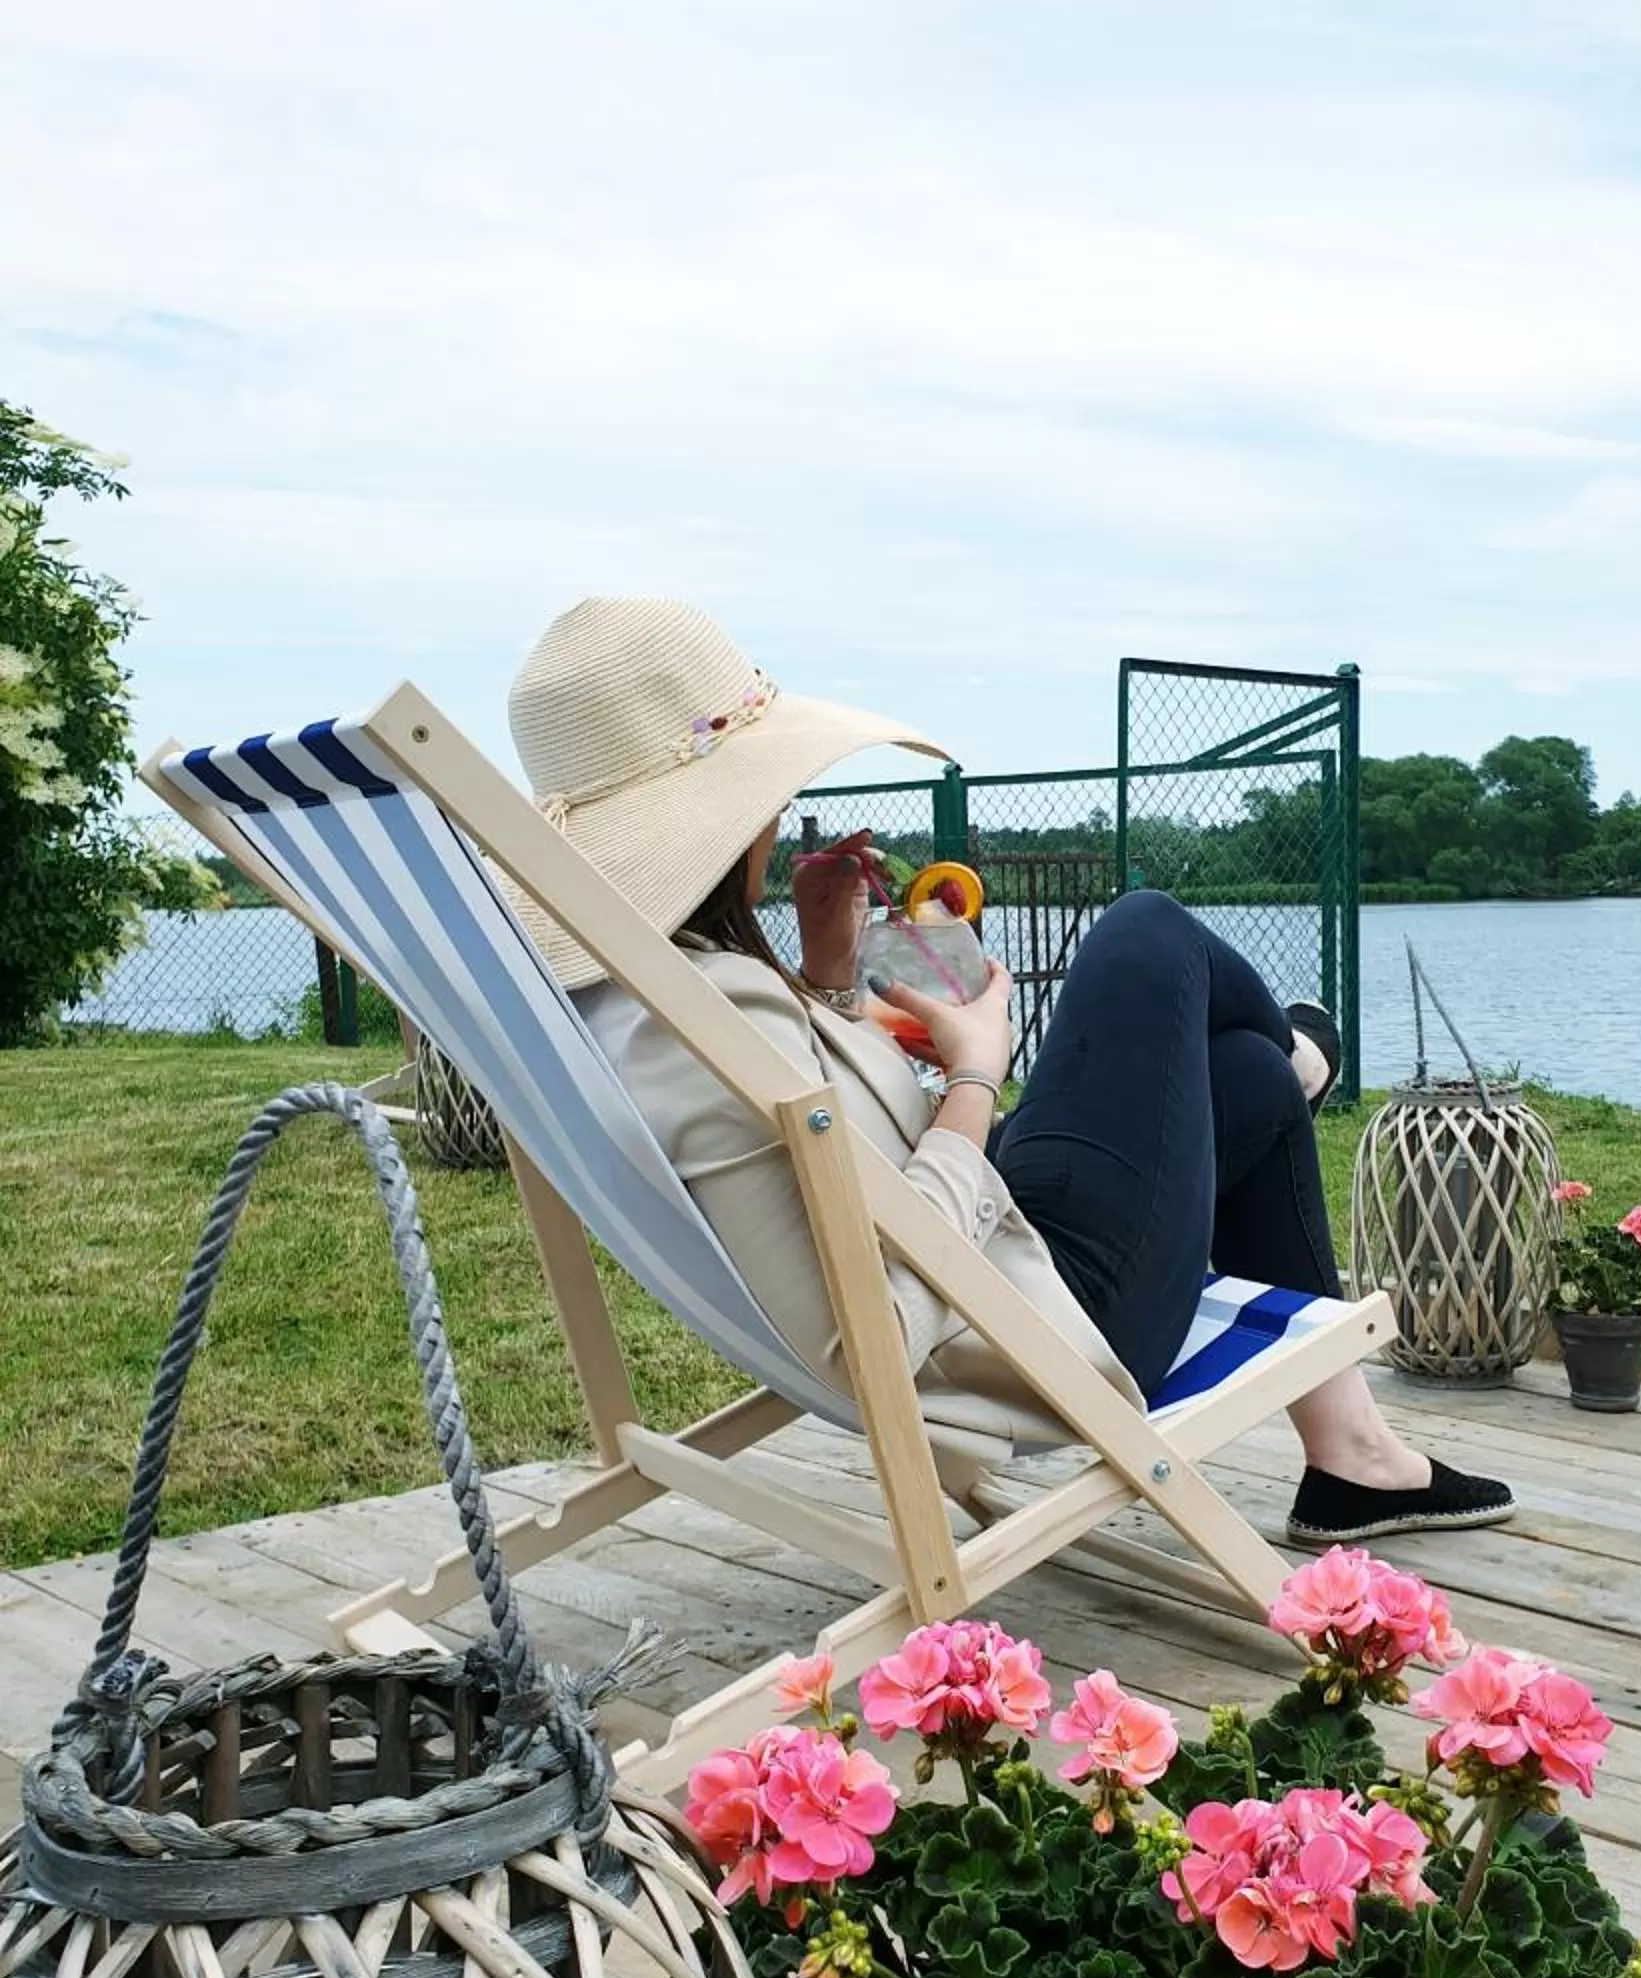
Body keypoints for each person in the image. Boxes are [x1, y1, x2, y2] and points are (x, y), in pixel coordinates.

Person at [508, 597, 1515, 1540]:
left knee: (1240, 1077)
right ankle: (1310, 1060)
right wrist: (978, 1075)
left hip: (997, 1261)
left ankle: (1353, 1456)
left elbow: (802, 1150)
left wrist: (825, 975)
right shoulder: (702, 1012)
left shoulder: (639, 1001)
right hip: (1034, 1325)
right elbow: (884, 1312)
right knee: (1145, 930)